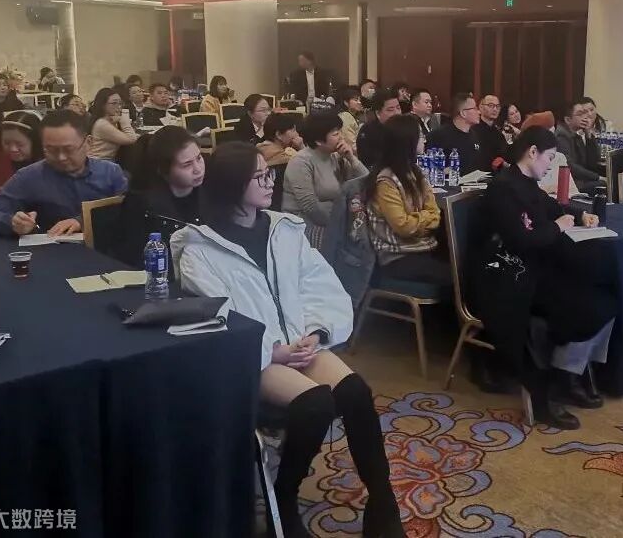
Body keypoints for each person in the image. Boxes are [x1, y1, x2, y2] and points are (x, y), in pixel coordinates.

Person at [170, 142, 404, 538]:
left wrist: (316, 332)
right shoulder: (199, 247)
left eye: (269, 174)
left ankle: (383, 501)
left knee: (355, 393)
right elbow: (220, 317)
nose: (269, 183)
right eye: (259, 176)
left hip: (297, 340)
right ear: (231, 185)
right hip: (253, 355)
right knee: (316, 404)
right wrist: (273, 350)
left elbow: (319, 285)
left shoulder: (284, 229)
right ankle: (284, 495)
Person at [475, 127, 616, 429]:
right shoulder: (503, 188)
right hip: (506, 274)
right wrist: (558, 227)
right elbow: (520, 240)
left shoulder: (526, 183)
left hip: (534, 266)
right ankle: (554, 381)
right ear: (532, 152)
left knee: (604, 294)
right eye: (550, 158)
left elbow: (551, 206)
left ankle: (568, 372)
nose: (551, 165)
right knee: (585, 303)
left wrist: (578, 215)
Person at [0, 110, 127, 237]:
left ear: (89, 143)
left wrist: (82, 221)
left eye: (68, 149)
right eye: (51, 150)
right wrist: (12, 223)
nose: (61, 157)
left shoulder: (110, 173)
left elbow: (129, 211)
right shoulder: (30, 176)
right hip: (53, 252)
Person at [365, 114, 451, 284]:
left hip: (422, 246)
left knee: (465, 267)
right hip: (397, 256)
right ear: (407, 142)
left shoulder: (416, 172)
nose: (424, 139)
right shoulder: (386, 181)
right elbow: (404, 226)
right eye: (420, 135)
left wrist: (421, 219)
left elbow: (435, 213)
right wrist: (426, 217)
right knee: (453, 277)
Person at [117, 126, 205, 266]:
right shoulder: (142, 203)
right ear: (163, 170)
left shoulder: (209, 192)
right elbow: (135, 257)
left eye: (199, 158)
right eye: (187, 165)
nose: (198, 169)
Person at [284, 109, 368, 248]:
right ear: (318, 140)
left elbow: (366, 182)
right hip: (304, 226)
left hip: (335, 219)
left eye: (340, 132)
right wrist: (343, 222)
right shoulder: (301, 162)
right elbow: (311, 207)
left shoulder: (336, 156)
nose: (341, 137)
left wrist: (352, 158)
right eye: (335, 134)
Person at [520, 111, 579, 198]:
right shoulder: (523, 159)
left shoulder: (560, 157)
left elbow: (573, 191)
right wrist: (551, 188)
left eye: (553, 134)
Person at [426, 94, 483, 175]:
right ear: (463, 113)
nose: (479, 112)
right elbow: (428, 168)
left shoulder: (474, 135)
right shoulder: (439, 135)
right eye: (475, 108)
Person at [555, 100, 603, 194]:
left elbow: (592, 162)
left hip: (581, 180)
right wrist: (597, 177)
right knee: (604, 185)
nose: (585, 117)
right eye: (580, 114)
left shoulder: (576, 135)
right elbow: (570, 166)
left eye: (585, 113)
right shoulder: (562, 136)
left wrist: (588, 134)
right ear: (568, 120)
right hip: (571, 183)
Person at [87, 88, 138, 161]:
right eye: (114, 103)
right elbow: (132, 139)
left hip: (108, 161)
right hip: (99, 162)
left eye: (120, 103)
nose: (119, 106)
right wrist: (124, 121)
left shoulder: (110, 120)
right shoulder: (102, 124)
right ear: (103, 105)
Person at [355, 89, 401, 168]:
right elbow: (369, 163)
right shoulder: (368, 131)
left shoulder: (403, 127)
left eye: (398, 108)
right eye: (391, 110)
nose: (397, 113)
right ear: (378, 113)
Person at [474, 95, 508, 167]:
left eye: (497, 106)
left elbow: (505, 152)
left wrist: (501, 159)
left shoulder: (498, 132)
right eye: (491, 105)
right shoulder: (473, 129)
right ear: (481, 107)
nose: (495, 109)